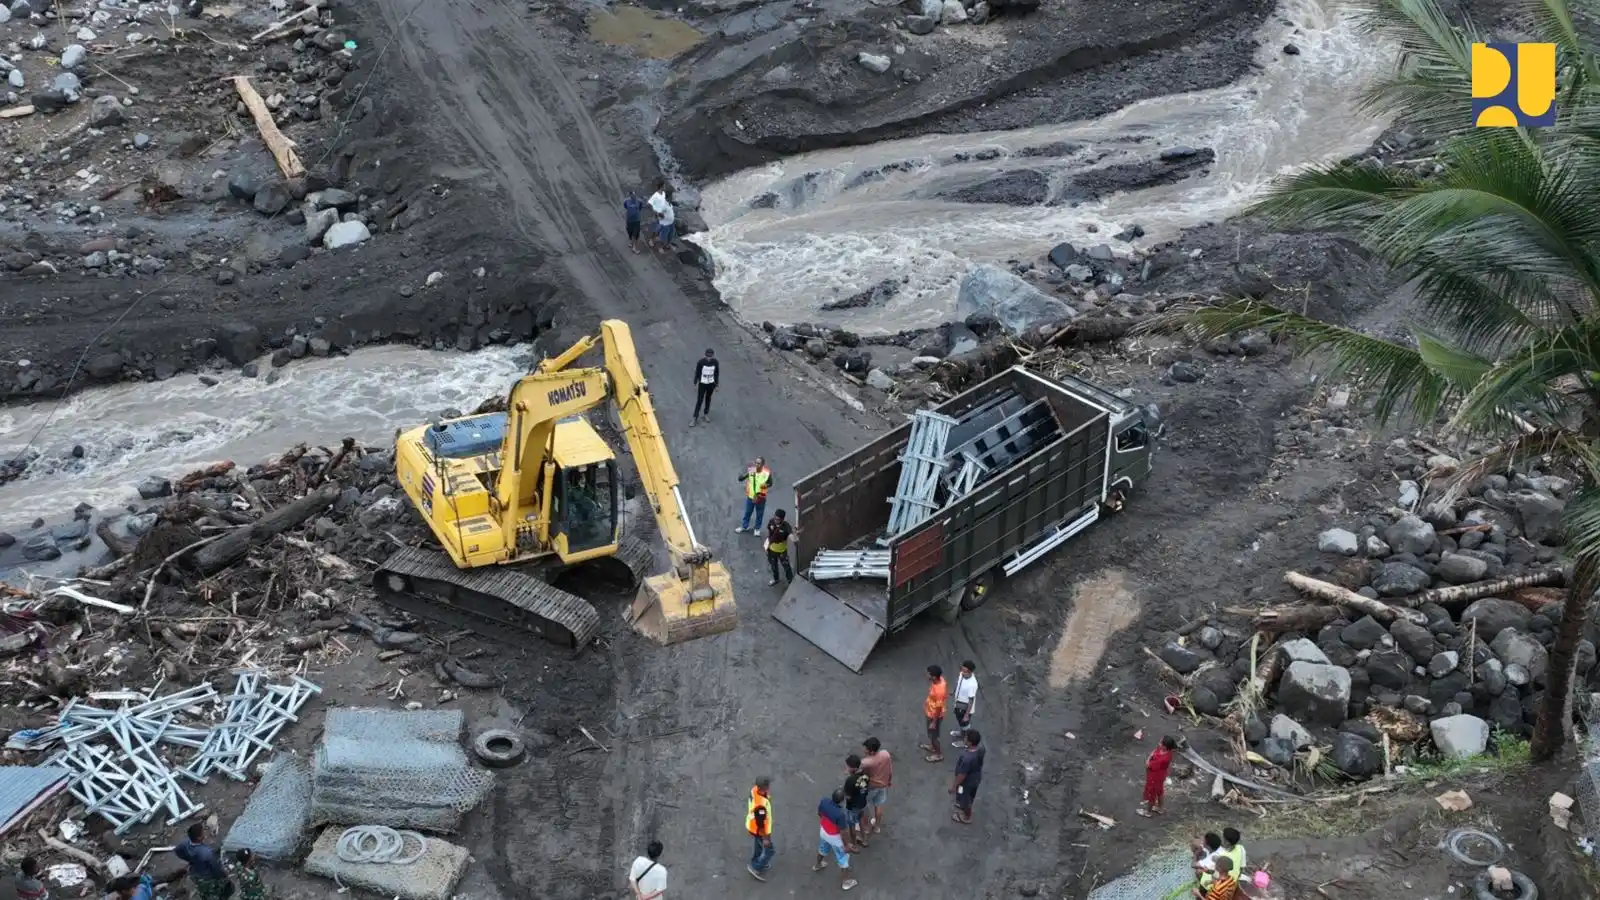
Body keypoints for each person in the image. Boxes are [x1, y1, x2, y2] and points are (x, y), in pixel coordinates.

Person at [813, 789, 858, 891]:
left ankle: (818, 865)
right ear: (842, 801)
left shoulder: (824, 801)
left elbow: (819, 813)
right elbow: (843, 832)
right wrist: (847, 845)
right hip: (834, 838)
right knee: (843, 859)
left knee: (823, 848)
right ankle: (846, 883)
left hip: (823, 831)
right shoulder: (840, 814)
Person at [175, 822, 233, 900]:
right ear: (199, 838)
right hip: (207, 876)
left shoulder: (185, 843)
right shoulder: (206, 853)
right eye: (203, 832)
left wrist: (190, 860)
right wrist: (225, 875)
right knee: (226, 886)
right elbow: (216, 869)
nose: (205, 833)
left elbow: (178, 851)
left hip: (196, 872)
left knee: (203, 890)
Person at [949, 728, 985, 824]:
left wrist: (954, 786)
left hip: (966, 783)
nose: (964, 739)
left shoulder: (967, 759)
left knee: (965, 799)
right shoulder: (981, 749)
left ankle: (966, 817)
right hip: (976, 779)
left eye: (966, 738)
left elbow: (961, 776)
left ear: (969, 743)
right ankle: (962, 803)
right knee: (970, 795)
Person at [859, 737, 893, 835]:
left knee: (864, 805)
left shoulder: (866, 762)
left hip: (872, 786)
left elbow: (861, 773)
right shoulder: (885, 754)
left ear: (871, 751)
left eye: (866, 748)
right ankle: (877, 826)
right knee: (878, 805)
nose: (864, 749)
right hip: (883, 784)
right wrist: (889, 780)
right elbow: (890, 769)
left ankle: (865, 827)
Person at [1139, 735, 1177, 817]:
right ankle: (1160, 808)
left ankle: (1148, 812)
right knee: (1159, 792)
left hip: (1154, 777)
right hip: (1160, 776)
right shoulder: (1166, 751)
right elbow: (1154, 751)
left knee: (1151, 794)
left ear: (1165, 747)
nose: (1158, 743)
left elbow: (1148, 765)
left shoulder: (1163, 758)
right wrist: (1151, 756)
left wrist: (1149, 758)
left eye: (1160, 742)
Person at [746, 777, 774, 882]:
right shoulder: (761, 807)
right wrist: (766, 838)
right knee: (770, 849)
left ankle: (756, 860)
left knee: (758, 845)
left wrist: (766, 798)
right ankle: (756, 867)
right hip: (759, 830)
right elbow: (761, 824)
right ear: (765, 787)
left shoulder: (754, 791)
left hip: (752, 826)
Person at [841, 755, 871, 850]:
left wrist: (843, 794)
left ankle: (854, 845)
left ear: (853, 768)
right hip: (862, 803)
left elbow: (848, 796)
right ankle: (864, 840)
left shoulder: (850, 780)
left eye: (848, 766)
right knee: (861, 822)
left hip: (853, 806)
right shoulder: (865, 775)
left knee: (852, 825)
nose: (847, 768)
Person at [735, 457, 772, 533]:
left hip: (761, 497)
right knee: (747, 512)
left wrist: (766, 485)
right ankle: (744, 526)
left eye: (758, 463)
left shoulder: (767, 473)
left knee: (759, 514)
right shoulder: (752, 470)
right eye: (756, 463)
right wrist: (741, 477)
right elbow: (742, 477)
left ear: (762, 464)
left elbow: (770, 483)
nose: (756, 465)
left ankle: (757, 529)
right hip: (751, 496)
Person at [922, 664, 948, 762]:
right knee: (931, 734)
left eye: (928, 674)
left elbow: (939, 708)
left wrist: (934, 722)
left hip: (934, 716)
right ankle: (933, 747)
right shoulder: (938, 680)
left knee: (934, 736)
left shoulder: (939, 691)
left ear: (933, 676)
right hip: (930, 712)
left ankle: (938, 754)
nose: (926, 675)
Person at [950, 660, 978, 746]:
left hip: (964, 707)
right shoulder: (962, 674)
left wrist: (966, 715)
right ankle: (961, 733)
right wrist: (953, 691)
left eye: (965, 671)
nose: (962, 672)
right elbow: (958, 683)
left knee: (965, 724)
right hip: (958, 703)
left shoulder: (972, 684)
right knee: (960, 722)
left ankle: (964, 741)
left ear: (970, 672)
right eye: (962, 670)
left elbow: (971, 700)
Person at [764, 510, 796, 586]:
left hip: (782, 551)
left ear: (782, 519)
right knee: (773, 567)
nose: (775, 521)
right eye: (775, 518)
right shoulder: (771, 522)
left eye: (777, 519)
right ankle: (776, 579)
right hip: (771, 550)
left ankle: (790, 582)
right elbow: (769, 535)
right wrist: (766, 546)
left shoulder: (786, 526)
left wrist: (795, 538)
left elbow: (791, 535)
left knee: (786, 567)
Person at [691, 348, 719, 426]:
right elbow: (697, 373)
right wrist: (695, 384)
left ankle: (706, 414)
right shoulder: (701, 362)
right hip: (702, 384)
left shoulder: (715, 362)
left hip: (711, 384)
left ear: (712, 356)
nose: (709, 358)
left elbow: (716, 374)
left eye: (710, 356)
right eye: (707, 356)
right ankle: (694, 417)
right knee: (699, 400)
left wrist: (716, 385)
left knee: (708, 399)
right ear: (705, 355)